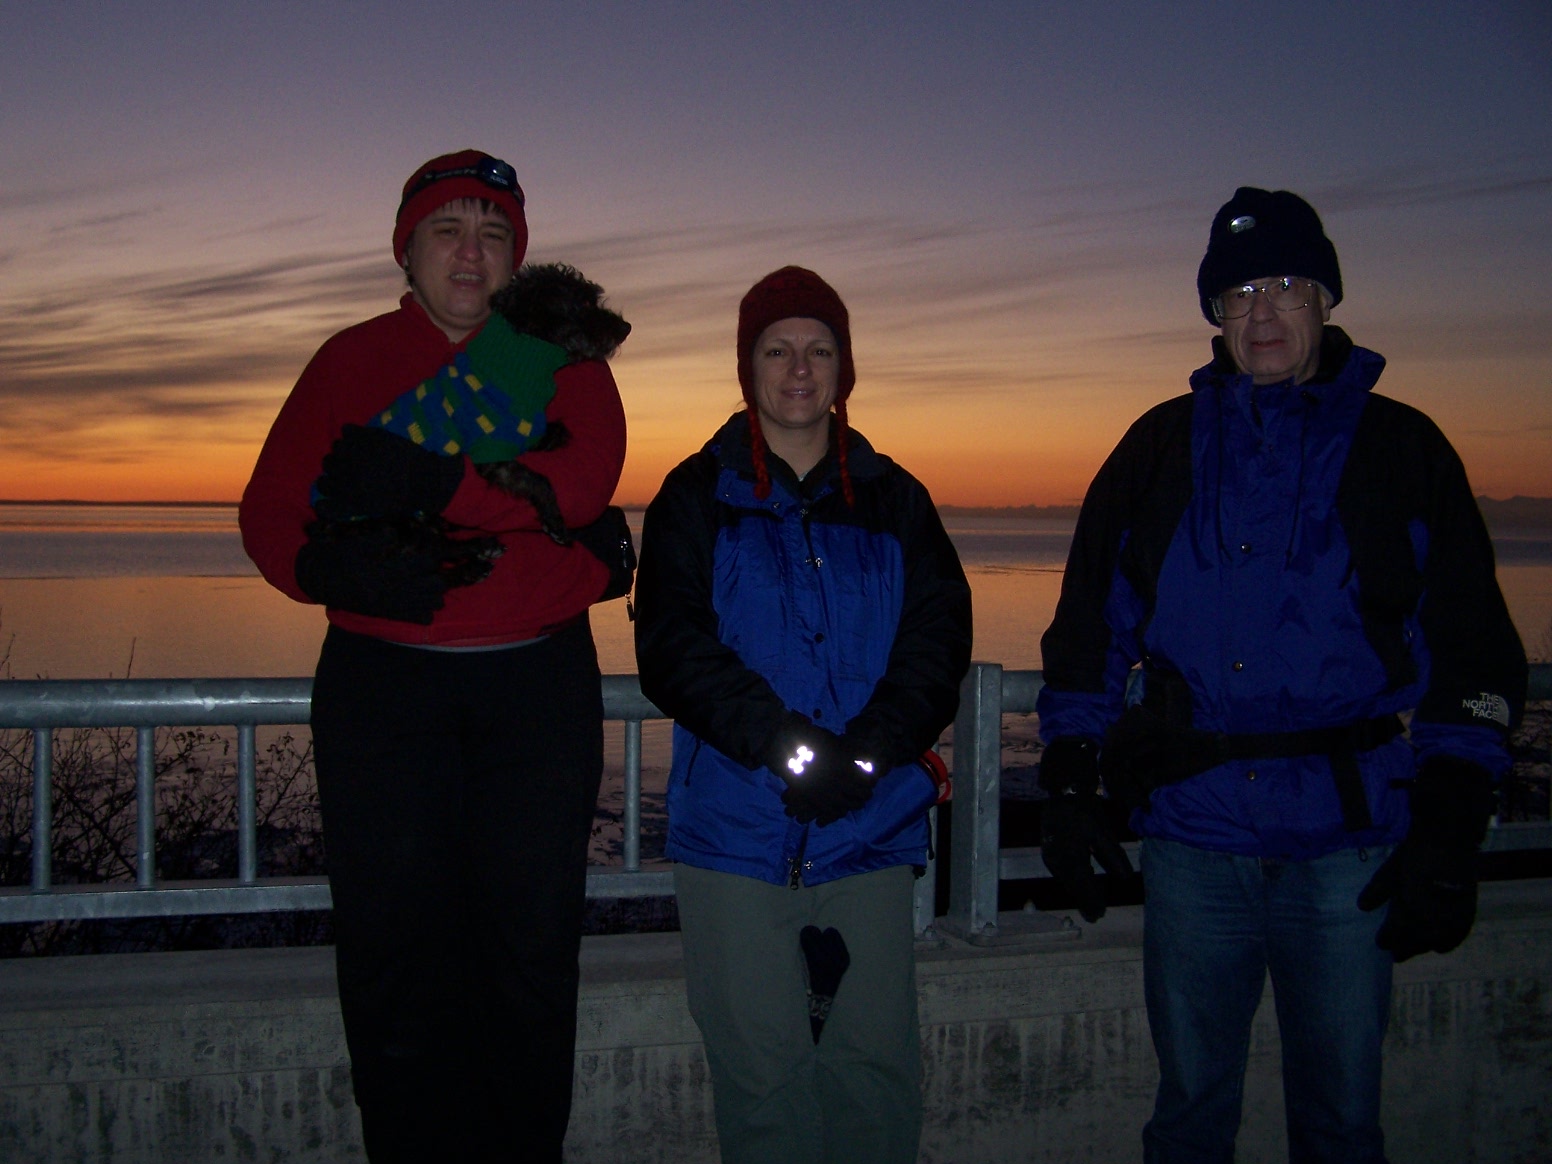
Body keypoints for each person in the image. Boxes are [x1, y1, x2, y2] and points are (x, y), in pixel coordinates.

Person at [1035, 187, 1527, 1163]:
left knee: (1341, 1120)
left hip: (1348, 845)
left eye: (1288, 286)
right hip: (1193, 837)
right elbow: (1090, 628)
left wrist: (1450, 817)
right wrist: (1070, 776)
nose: (1262, 312)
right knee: (1188, 1113)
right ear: (1214, 314)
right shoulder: (1157, 448)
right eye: (1240, 293)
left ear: (1327, 300)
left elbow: (1468, 644)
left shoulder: (1402, 449)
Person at [239, 149, 627, 1162]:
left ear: (517, 258)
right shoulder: (348, 360)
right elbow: (269, 513)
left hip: (535, 690)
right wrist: (329, 569)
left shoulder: (567, 362)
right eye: (447, 229)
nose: (470, 251)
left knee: (529, 950)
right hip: (384, 694)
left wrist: (433, 486)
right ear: (405, 251)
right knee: (393, 954)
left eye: (494, 233)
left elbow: (582, 484)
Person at [633, 266, 972, 1164]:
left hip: (869, 830)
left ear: (843, 367)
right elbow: (672, 644)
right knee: (762, 1085)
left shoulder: (895, 498)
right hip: (736, 841)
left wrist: (868, 752)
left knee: (874, 1077)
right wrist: (786, 745)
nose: (798, 370)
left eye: (818, 351)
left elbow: (937, 639)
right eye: (776, 350)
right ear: (746, 366)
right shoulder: (695, 494)